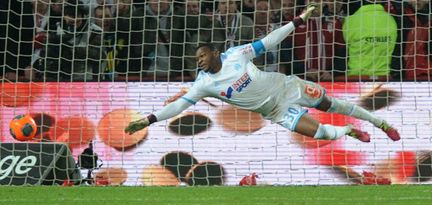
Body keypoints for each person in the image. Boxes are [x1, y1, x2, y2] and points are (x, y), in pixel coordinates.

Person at [125, 4, 400, 143]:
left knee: (332, 104)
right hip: (276, 112)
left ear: (214, 52)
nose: (198, 62)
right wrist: (149, 120)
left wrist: (298, 20)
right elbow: (176, 107)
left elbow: (269, 41)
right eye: (196, 59)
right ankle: (350, 131)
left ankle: (380, 123)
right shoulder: (203, 85)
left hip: (286, 87)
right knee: (321, 135)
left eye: (201, 56)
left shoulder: (236, 54)